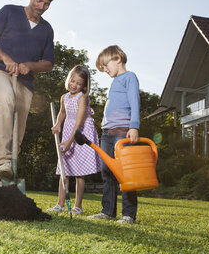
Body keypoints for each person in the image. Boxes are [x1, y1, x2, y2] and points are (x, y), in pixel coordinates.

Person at [0, 0, 56, 188]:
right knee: (5, 98)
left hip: (25, 84)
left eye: (46, 4)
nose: (41, 7)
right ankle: (3, 161)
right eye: (39, 0)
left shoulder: (47, 30)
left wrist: (30, 65)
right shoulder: (9, 12)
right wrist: (5, 58)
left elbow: (48, 63)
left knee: (15, 137)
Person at [87, 45, 140, 224]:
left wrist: (134, 126)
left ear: (117, 58)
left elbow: (134, 102)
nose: (104, 69)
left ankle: (128, 214)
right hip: (107, 132)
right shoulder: (115, 82)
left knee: (125, 172)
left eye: (105, 65)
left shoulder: (129, 77)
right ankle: (108, 211)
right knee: (107, 171)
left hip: (123, 131)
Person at [48, 65, 101, 215]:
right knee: (64, 170)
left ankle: (78, 206)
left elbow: (78, 124)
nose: (74, 85)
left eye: (78, 83)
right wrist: (58, 124)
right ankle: (60, 204)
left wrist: (70, 141)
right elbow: (62, 113)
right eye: (72, 81)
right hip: (67, 134)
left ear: (84, 85)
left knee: (79, 173)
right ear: (68, 79)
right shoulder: (64, 97)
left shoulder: (82, 98)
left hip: (80, 135)